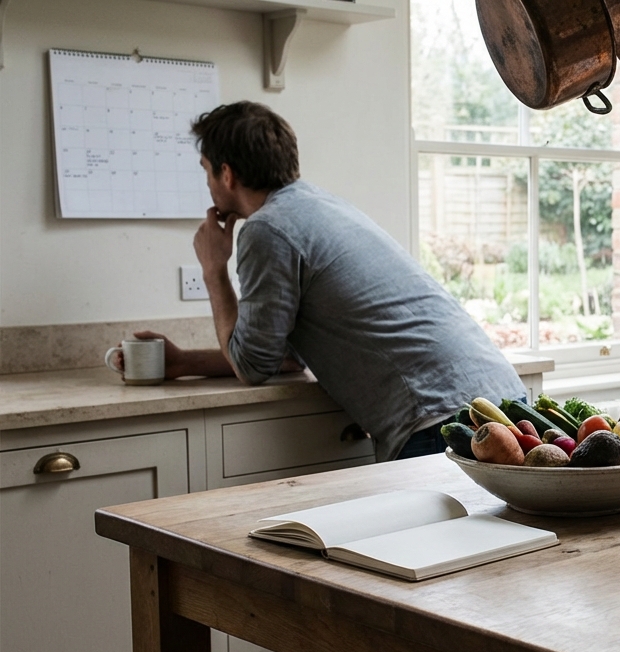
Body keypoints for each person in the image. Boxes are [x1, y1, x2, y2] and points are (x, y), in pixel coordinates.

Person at [114, 101, 525, 462]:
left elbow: (253, 367)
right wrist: (183, 362)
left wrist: (213, 269)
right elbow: (283, 355)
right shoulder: (320, 206)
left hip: (439, 421)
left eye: (205, 170)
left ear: (226, 173)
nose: (205, 182)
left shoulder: (266, 230)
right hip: (502, 401)